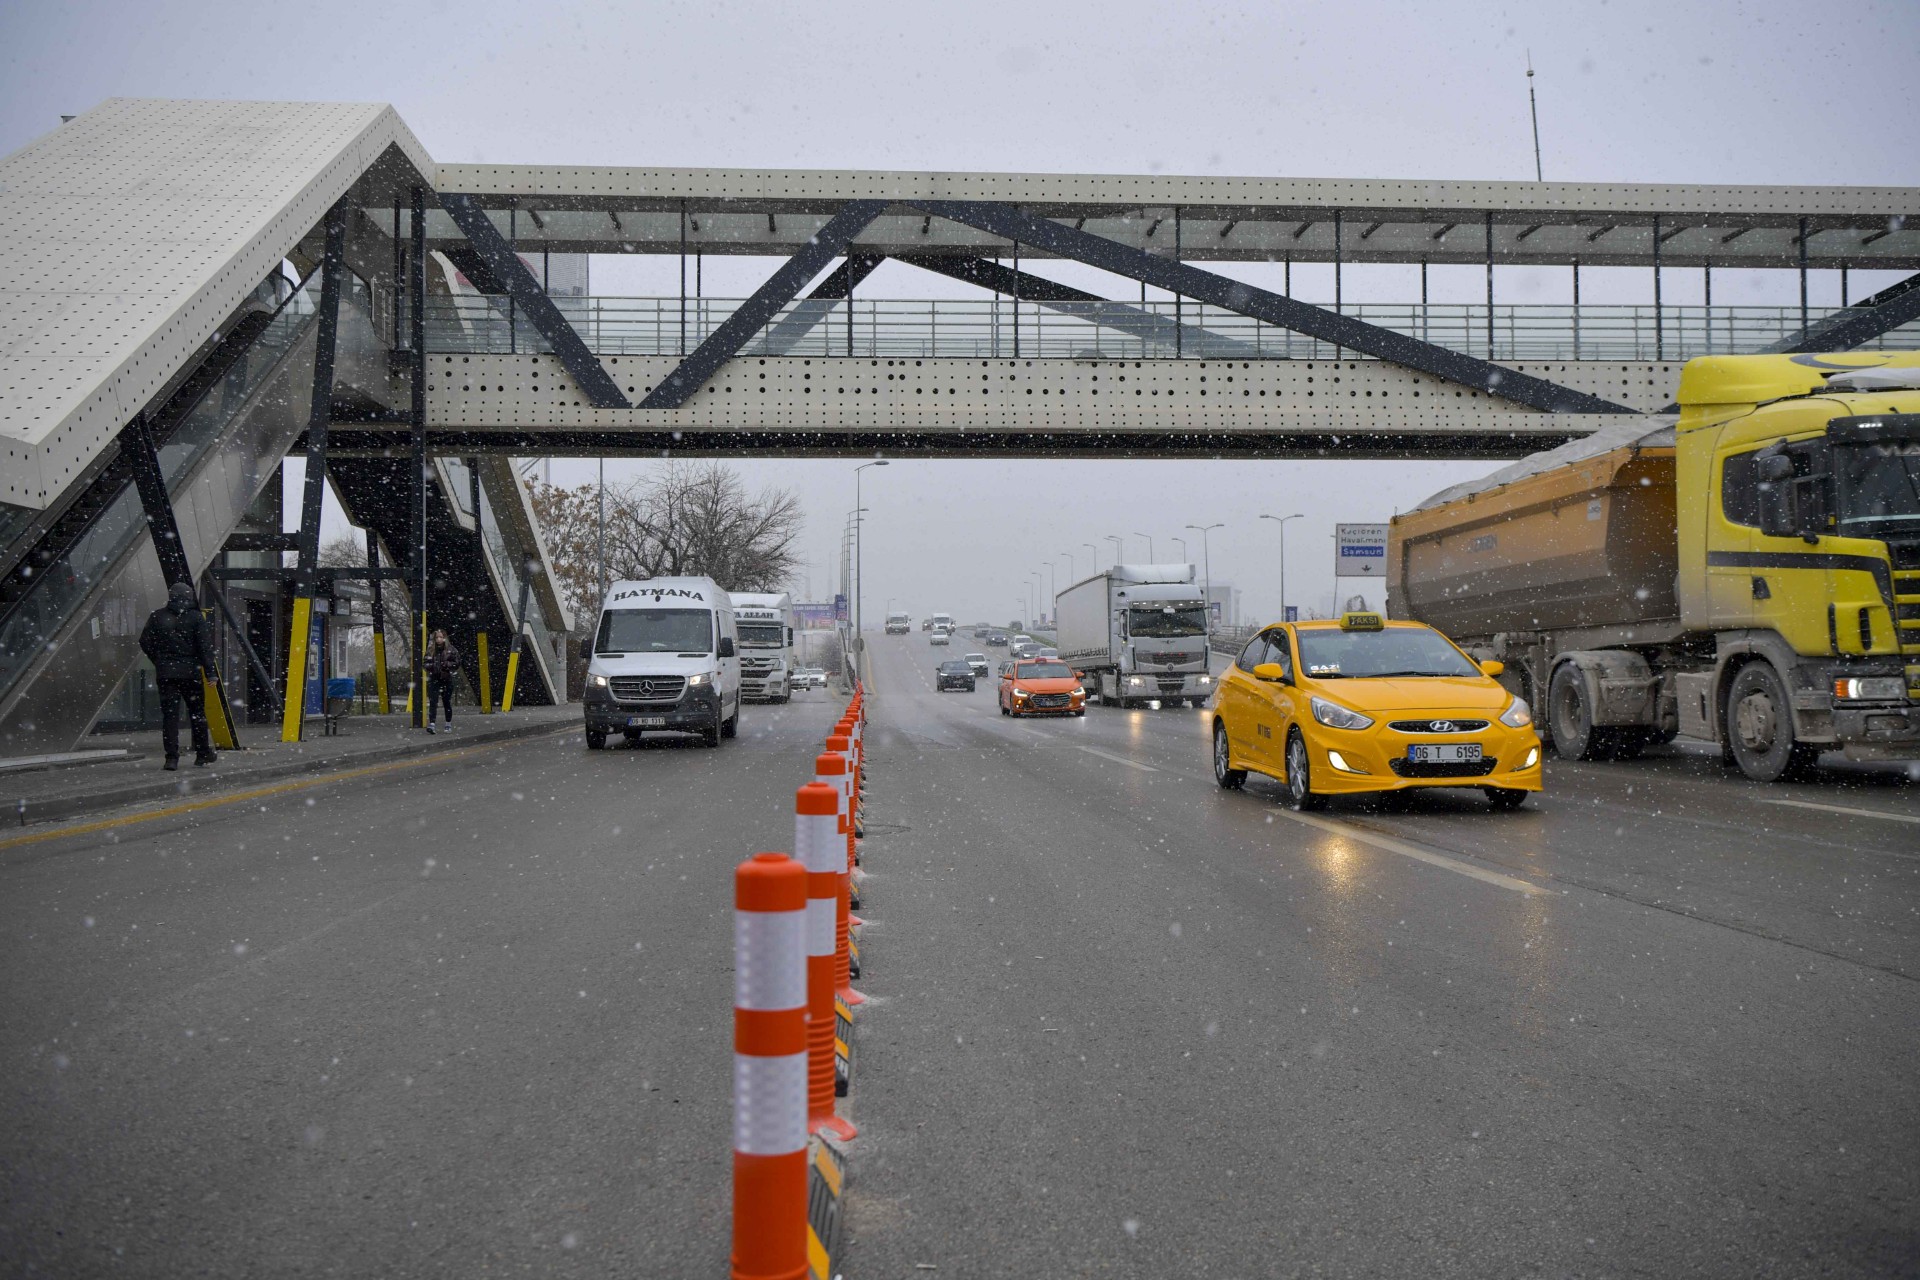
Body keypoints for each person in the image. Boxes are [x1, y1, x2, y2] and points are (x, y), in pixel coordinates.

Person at [138, 580, 219, 770]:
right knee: (197, 713)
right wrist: (211, 674)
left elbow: (144, 641)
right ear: (188, 597)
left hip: (166, 674)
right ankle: (202, 754)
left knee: (170, 716)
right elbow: (204, 648)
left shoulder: (157, 616)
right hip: (190, 673)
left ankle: (171, 758)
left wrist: (159, 660)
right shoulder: (195, 618)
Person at [425, 629, 457, 733]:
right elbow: (425, 663)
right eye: (437, 637)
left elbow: (457, 663)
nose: (439, 639)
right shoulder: (430, 650)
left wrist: (447, 665)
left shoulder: (451, 649)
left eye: (440, 637)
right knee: (433, 701)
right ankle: (432, 724)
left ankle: (448, 724)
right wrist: (433, 666)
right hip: (434, 678)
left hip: (446, 678)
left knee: (446, 701)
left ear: (444, 638)